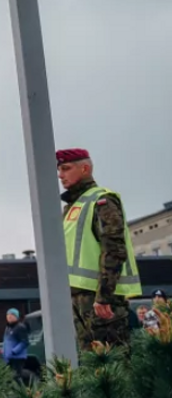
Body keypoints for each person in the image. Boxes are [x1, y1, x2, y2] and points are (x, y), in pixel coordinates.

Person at [56, 149, 143, 350]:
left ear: (85, 168)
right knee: (91, 362)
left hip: (100, 300)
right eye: (59, 170)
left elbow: (114, 249)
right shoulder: (73, 206)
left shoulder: (102, 200)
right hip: (80, 299)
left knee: (110, 361)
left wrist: (104, 296)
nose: (60, 175)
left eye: (66, 168)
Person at [3, 309, 30, 384]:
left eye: (11, 315)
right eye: (8, 315)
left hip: (17, 357)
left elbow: (25, 342)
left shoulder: (20, 327)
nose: (9, 317)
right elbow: (7, 342)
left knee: (17, 376)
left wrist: (14, 351)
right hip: (9, 357)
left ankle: (23, 387)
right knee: (10, 377)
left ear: (16, 317)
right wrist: (4, 351)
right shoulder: (8, 328)